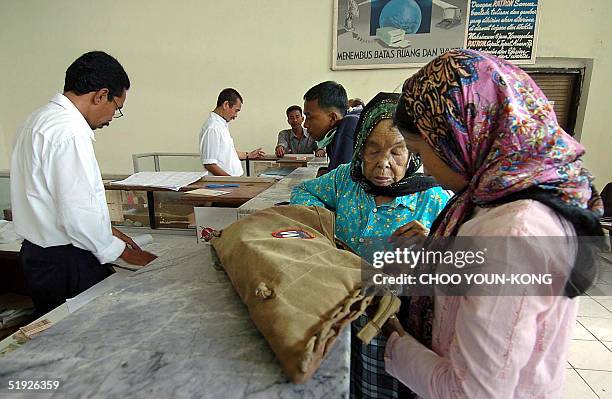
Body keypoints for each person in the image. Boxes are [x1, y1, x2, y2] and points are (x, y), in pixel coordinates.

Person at [385, 49, 605, 398]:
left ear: (457, 137)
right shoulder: (499, 195)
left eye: (420, 151)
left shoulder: (512, 232)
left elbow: (471, 393)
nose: (424, 168)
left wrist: (392, 337)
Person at [291, 92, 451, 399]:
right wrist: (329, 226)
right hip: (341, 310)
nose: (383, 163)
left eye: (397, 152)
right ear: (360, 147)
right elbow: (303, 194)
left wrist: (431, 242)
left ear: (413, 155)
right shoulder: (345, 180)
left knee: (390, 387)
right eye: (372, 149)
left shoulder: (432, 198)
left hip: (394, 321)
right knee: (344, 382)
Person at [10, 51, 157, 317]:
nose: (112, 117)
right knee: (90, 332)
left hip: (37, 257)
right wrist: (121, 252)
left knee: (57, 333)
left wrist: (106, 229)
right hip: (68, 261)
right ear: (101, 95)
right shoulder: (70, 132)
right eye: (117, 107)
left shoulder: (36, 120)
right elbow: (76, 212)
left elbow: (53, 196)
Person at [198, 88, 265, 176]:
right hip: (225, 184)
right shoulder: (213, 128)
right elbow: (209, 164)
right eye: (236, 110)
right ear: (226, 105)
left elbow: (226, 153)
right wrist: (231, 180)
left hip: (231, 182)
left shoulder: (221, 124)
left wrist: (248, 155)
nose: (236, 115)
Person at [303, 81, 360, 175]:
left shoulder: (350, 124)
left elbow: (340, 182)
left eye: (309, 117)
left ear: (332, 118)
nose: (305, 124)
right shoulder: (332, 133)